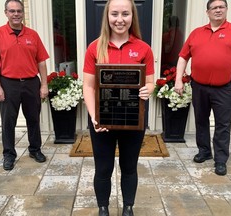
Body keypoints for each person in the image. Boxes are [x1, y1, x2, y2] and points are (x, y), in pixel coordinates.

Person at [82, 0, 154, 215]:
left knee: (129, 167)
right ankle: (103, 208)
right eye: (114, 14)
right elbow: (87, 85)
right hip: (101, 120)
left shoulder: (144, 48)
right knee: (103, 168)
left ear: (133, 16)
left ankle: (128, 208)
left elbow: (150, 81)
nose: (120, 19)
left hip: (133, 119)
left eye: (125, 14)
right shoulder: (95, 47)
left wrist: (148, 89)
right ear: (107, 16)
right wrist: (95, 116)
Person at [174, 0, 231, 176]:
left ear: (226, 10)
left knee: (223, 124)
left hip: (225, 88)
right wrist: (178, 80)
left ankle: (220, 160)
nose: (218, 10)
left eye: (221, 7)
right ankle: (204, 151)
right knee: (200, 120)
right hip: (199, 86)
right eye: (214, 8)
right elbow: (183, 57)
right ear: (208, 12)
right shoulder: (196, 33)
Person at [0, 0, 49, 171]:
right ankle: (9, 155)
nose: (16, 14)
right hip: (8, 84)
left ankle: (35, 150)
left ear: (23, 13)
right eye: (12, 11)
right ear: (6, 13)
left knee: (34, 119)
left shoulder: (33, 35)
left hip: (31, 83)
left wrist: (44, 85)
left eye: (19, 11)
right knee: (8, 122)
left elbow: (41, 61)